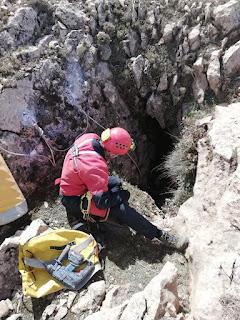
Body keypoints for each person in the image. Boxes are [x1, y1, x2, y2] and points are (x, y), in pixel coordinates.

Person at [58, 127, 188, 251]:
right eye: (116, 155)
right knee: (121, 209)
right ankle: (159, 234)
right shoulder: (95, 166)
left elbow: (90, 174)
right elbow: (101, 203)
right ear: (112, 152)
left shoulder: (90, 138)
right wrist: (122, 196)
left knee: (115, 183)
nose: (115, 157)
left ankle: (117, 214)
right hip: (74, 199)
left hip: (77, 183)